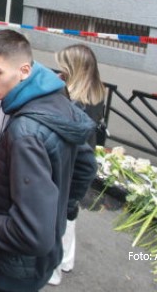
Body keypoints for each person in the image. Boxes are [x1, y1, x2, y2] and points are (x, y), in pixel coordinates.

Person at [0, 30, 98, 292]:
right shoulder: (56, 99)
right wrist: (60, 211)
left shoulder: (25, 132)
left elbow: (31, 232)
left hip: (8, 270)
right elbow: (86, 165)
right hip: (36, 263)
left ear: (24, 71)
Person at [48, 43, 108, 286]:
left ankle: (53, 271)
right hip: (83, 160)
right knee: (70, 211)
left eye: (63, 67)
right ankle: (66, 260)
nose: (59, 70)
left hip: (69, 162)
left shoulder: (73, 101)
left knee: (58, 213)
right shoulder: (96, 92)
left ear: (74, 69)